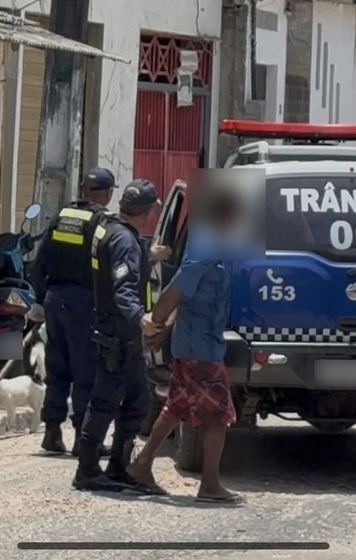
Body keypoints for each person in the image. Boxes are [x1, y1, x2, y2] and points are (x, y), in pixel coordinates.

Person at [126, 188, 243, 503]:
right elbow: (174, 292)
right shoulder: (206, 250)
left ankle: (141, 463)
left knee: (176, 406)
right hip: (199, 348)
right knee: (219, 416)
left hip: (198, 341)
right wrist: (155, 326)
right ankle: (209, 485)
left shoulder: (218, 249)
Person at [72, 179, 164, 492]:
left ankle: (118, 467)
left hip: (111, 327)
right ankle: (87, 471)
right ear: (149, 211)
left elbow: (117, 265)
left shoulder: (108, 228)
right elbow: (124, 288)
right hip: (119, 331)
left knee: (137, 399)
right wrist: (143, 320)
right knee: (105, 402)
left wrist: (148, 255)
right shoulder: (124, 240)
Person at [27, 167, 116, 457]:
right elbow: (106, 267)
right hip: (82, 303)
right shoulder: (101, 221)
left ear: (83, 188)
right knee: (84, 370)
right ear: (108, 193)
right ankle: (82, 437)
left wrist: (39, 300)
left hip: (54, 299)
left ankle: (52, 433)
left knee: (58, 368)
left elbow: (40, 262)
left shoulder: (62, 216)